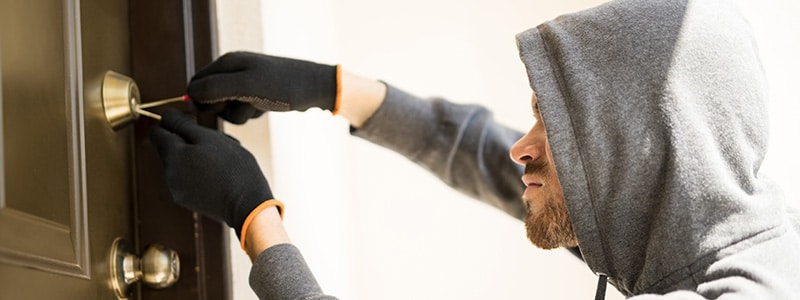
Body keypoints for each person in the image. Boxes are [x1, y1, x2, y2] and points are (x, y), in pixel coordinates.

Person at [150, 0, 800, 298]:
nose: (522, 148)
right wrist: (325, 87)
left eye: (553, 134)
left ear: (630, 154)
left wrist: (253, 215)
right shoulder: (693, 214)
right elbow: (483, 154)